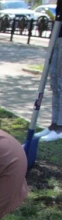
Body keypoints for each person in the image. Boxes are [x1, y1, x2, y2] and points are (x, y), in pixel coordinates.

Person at [35, 10, 62, 143]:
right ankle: (54, 124)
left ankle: (60, 127)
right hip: (58, 33)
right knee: (55, 83)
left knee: (60, 82)